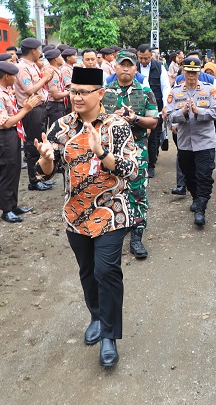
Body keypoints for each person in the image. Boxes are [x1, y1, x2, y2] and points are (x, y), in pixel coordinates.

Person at [34, 66, 138, 368]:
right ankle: (95, 315)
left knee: (107, 271)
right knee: (88, 271)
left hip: (111, 213)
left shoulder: (117, 125)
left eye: (82, 92)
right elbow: (44, 172)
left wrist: (102, 154)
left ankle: (109, 336)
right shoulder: (62, 126)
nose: (76, 97)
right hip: (75, 214)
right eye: (73, 91)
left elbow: (132, 169)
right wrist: (46, 160)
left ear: (100, 94)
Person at [101, 51, 158, 259]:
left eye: (130, 65)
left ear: (136, 69)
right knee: (110, 189)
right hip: (110, 152)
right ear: (115, 67)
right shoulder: (103, 93)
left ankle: (137, 236)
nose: (125, 68)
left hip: (137, 152)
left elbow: (153, 122)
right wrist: (110, 119)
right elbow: (94, 121)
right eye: (122, 64)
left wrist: (134, 118)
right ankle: (113, 230)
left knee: (138, 192)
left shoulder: (145, 92)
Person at [166, 57, 216, 226]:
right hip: (185, 142)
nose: (191, 75)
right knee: (189, 175)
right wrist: (182, 113)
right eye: (188, 72)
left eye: (194, 72)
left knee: (204, 175)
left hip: (204, 141)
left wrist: (200, 111)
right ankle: (196, 197)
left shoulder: (209, 89)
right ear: (183, 72)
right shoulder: (175, 91)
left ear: (199, 72)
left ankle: (201, 209)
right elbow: (169, 117)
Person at [0, 61, 41, 223]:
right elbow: (6, 122)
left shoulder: (5, 91)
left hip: (12, 135)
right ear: (7, 76)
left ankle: (13, 205)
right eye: (14, 76)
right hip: (4, 136)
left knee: (15, 170)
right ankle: (6, 209)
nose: (16, 79)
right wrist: (26, 109)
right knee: (7, 173)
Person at [16, 38, 54, 192]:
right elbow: (30, 90)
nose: (40, 53)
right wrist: (45, 77)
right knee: (33, 145)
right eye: (39, 49)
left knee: (39, 142)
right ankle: (34, 181)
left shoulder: (31, 66)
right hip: (31, 111)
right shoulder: (22, 68)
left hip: (39, 108)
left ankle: (39, 177)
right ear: (33, 51)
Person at [136, 44, 170, 179]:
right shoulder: (134, 67)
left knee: (153, 136)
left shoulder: (159, 67)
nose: (144, 61)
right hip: (137, 107)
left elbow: (165, 87)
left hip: (155, 107)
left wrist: (165, 105)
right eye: (141, 58)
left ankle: (151, 165)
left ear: (152, 56)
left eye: (147, 58)